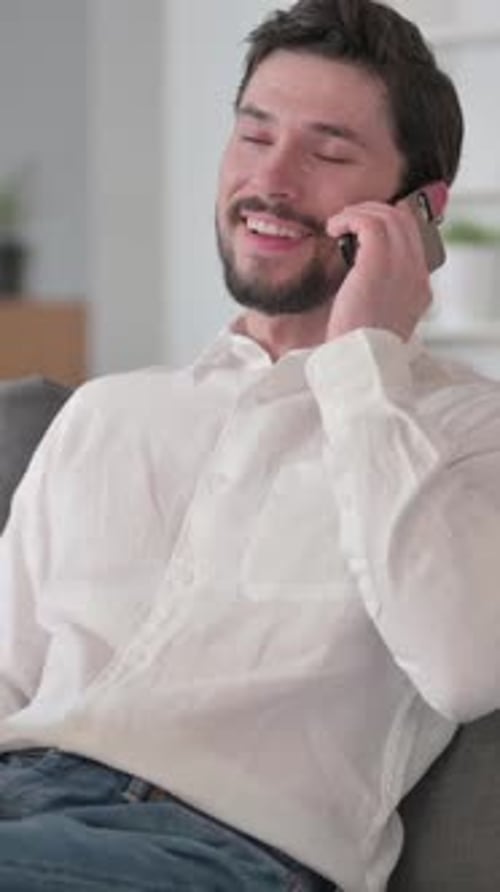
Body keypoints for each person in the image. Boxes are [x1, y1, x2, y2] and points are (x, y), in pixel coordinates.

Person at [1, 1, 499, 890]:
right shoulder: (109, 415)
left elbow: (465, 669)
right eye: (253, 135)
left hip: (211, 852)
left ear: (419, 212)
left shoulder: (463, 433)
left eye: (329, 152)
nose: (272, 179)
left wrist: (361, 363)